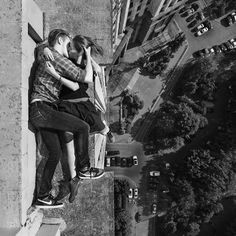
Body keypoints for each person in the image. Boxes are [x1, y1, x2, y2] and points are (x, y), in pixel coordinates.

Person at [30, 29, 104, 208]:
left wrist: (44, 49)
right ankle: (84, 169)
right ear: (61, 41)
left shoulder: (52, 55)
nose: (69, 48)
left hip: (43, 111)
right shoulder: (55, 56)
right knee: (83, 127)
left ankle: (43, 196)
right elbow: (85, 77)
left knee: (54, 154)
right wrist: (45, 48)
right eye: (68, 44)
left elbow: (89, 75)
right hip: (42, 109)